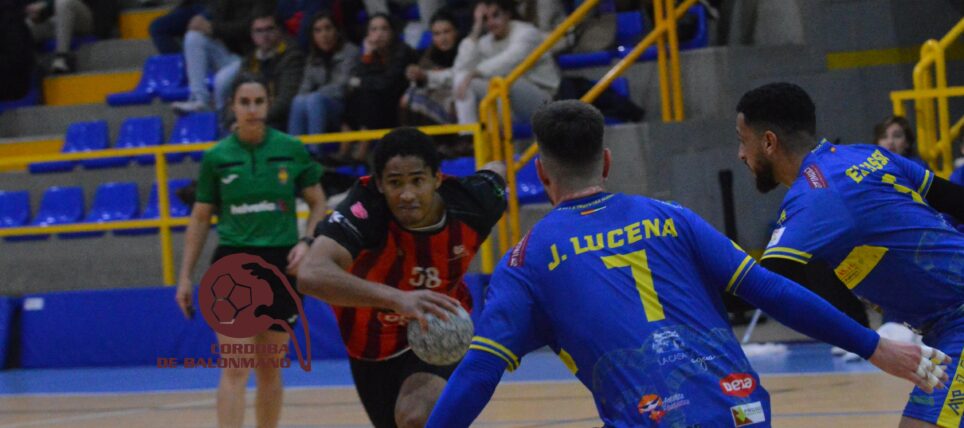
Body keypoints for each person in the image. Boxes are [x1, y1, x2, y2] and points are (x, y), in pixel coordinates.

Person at [425, 100, 949, 427]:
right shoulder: (672, 217)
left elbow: (477, 373)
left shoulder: (526, 260)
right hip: (742, 411)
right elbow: (772, 291)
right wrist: (873, 346)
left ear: (540, 172)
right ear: (606, 162)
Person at [735, 82, 964, 428]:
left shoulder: (813, 199)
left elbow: (769, 290)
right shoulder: (864, 155)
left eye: (742, 140)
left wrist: (870, 346)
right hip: (942, 325)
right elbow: (955, 199)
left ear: (768, 142)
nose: (740, 154)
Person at [296, 127, 507, 428]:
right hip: (370, 346)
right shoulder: (364, 208)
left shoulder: (473, 203)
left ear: (437, 178)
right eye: (395, 183)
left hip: (440, 329)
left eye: (418, 180)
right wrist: (398, 298)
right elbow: (310, 274)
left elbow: (496, 171)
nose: (407, 194)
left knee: (415, 417)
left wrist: (495, 169)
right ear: (380, 184)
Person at [175, 74, 327, 428]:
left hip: (281, 267)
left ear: (269, 104)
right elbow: (199, 220)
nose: (253, 109)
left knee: (270, 370)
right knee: (236, 368)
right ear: (233, 107)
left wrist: (307, 242)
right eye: (245, 103)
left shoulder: (291, 148)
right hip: (232, 266)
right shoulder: (217, 157)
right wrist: (184, 278)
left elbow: (318, 203)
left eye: (259, 102)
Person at [452, 0, 560, 126]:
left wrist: (474, 73)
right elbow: (461, 68)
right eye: (485, 18)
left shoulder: (527, 33)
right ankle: (468, 135)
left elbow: (508, 60)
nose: (491, 22)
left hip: (542, 96)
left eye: (495, 15)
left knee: (504, 81)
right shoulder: (485, 42)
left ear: (507, 14)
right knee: (462, 78)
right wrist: (476, 28)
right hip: (509, 99)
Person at [333, 13, 417, 165]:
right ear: (368, 34)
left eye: (384, 29)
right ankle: (344, 148)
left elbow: (386, 84)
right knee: (352, 97)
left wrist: (366, 66)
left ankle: (362, 151)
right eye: (374, 29)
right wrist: (367, 57)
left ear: (392, 32)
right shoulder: (369, 54)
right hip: (373, 104)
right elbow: (356, 80)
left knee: (369, 95)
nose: (379, 34)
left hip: (395, 107)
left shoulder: (403, 51)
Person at [171, 0, 273, 114]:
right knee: (193, 37)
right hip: (229, 53)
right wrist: (202, 21)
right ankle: (199, 99)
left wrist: (213, 29)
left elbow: (252, 28)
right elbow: (216, 14)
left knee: (221, 80)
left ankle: (221, 119)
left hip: (252, 57)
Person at [218, 10, 305, 132]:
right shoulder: (250, 60)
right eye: (259, 31)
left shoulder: (292, 57)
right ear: (252, 36)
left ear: (279, 30)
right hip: (249, 120)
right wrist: (234, 121)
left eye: (269, 29)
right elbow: (234, 97)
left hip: (276, 122)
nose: (265, 35)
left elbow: (285, 101)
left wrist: (252, 119)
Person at [288, 12, 358, 139]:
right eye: (318, 31)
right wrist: (309, 97)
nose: (324, 35)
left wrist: (315, 95)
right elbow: (304, 89)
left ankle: (316, 153)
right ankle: (294, 153)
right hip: (316, 107)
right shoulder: (312, 58)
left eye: (328, 28)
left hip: (345, 111)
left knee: (314, 99)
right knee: (297, 101)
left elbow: (342, 88)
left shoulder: (350, 52)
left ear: (337, 30)